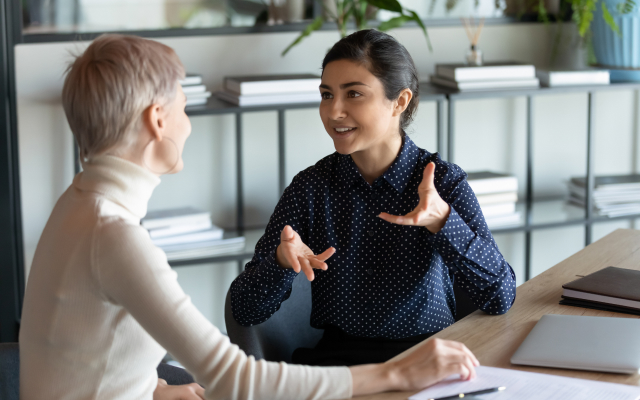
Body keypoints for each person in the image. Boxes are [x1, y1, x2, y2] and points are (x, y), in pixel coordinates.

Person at [19, 33, 480, 400]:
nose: (189, 119)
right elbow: (236, 378)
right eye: (183, 103)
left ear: (400, 101)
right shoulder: (115, 237)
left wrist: (153, 390)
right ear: (158, 120)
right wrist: (397, 372)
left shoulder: (77, 204)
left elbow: (86, 356)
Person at [230, 29, 517, 367]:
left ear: (400, 101)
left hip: (430, 360)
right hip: (340, 369)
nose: (334, 111)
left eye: (353, 94)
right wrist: (280, 262)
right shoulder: (310, 188)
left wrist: (444, 222)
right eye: (326, 94)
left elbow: (501, 296)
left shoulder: (444, 183)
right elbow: (244, 310)